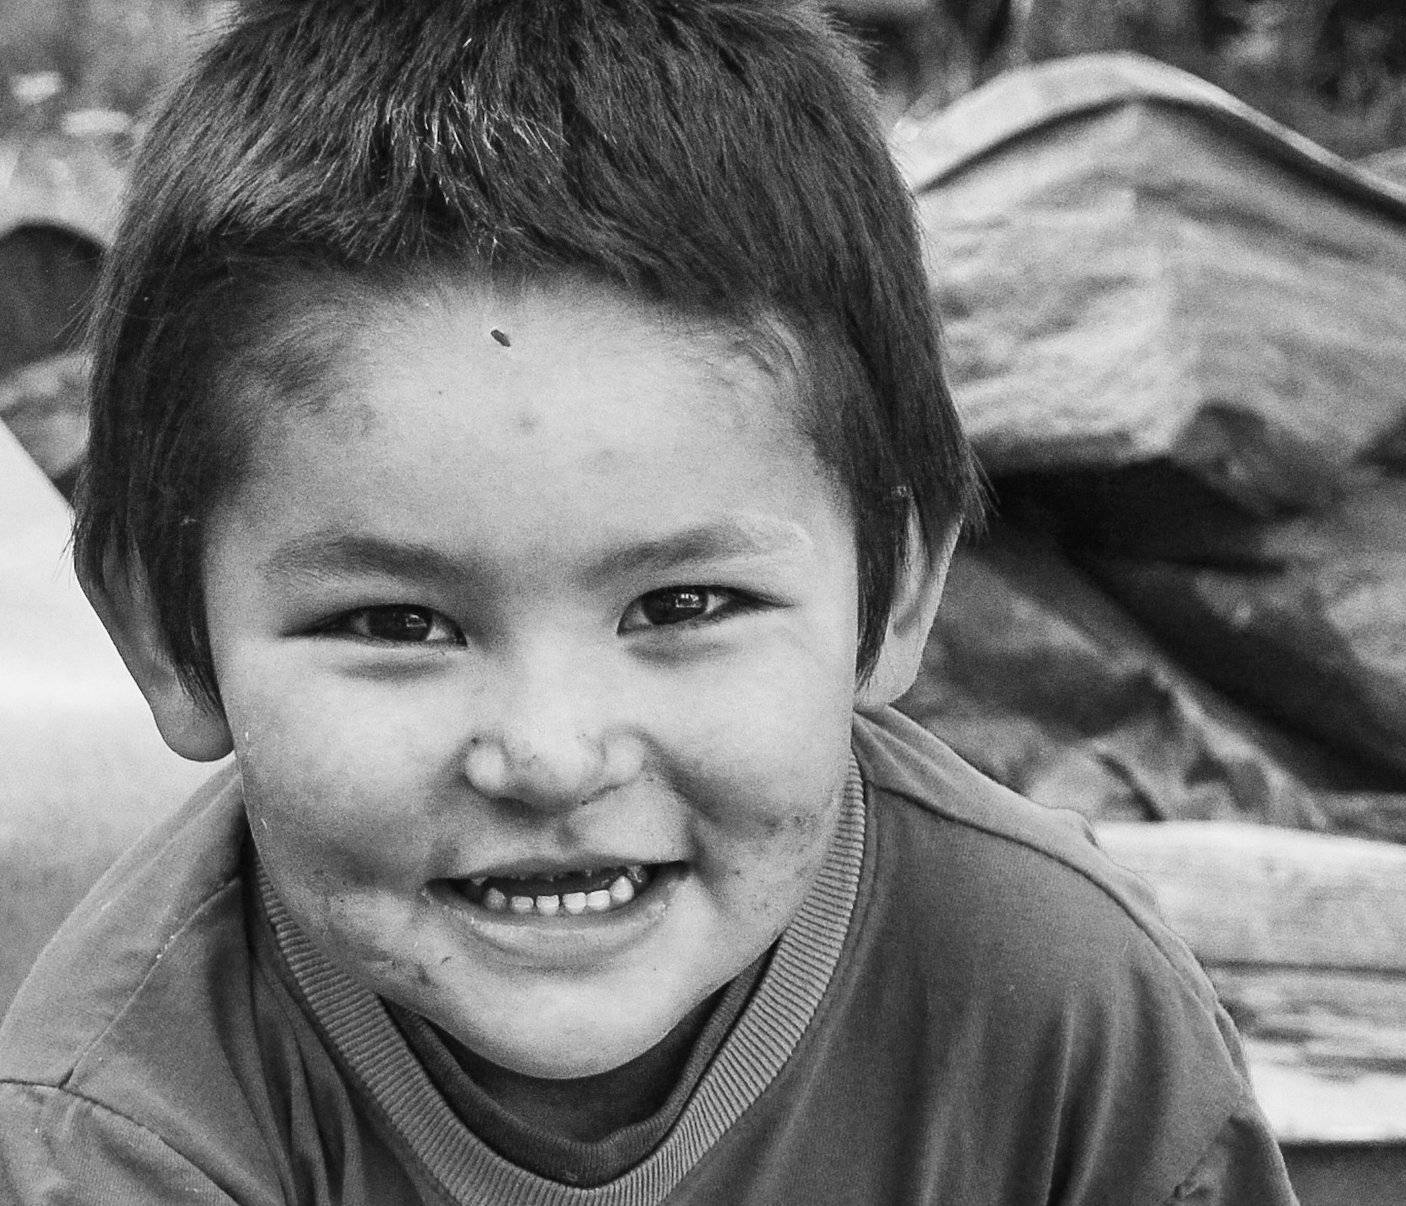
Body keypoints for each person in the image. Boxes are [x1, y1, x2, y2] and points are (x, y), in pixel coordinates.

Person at [0, 1, 1299, 1201]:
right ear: (166, 639)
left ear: (898, 590)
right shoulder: (124, 1130)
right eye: (398, 624)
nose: (552, 756)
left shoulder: (1060, 1010)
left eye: (682, 605)